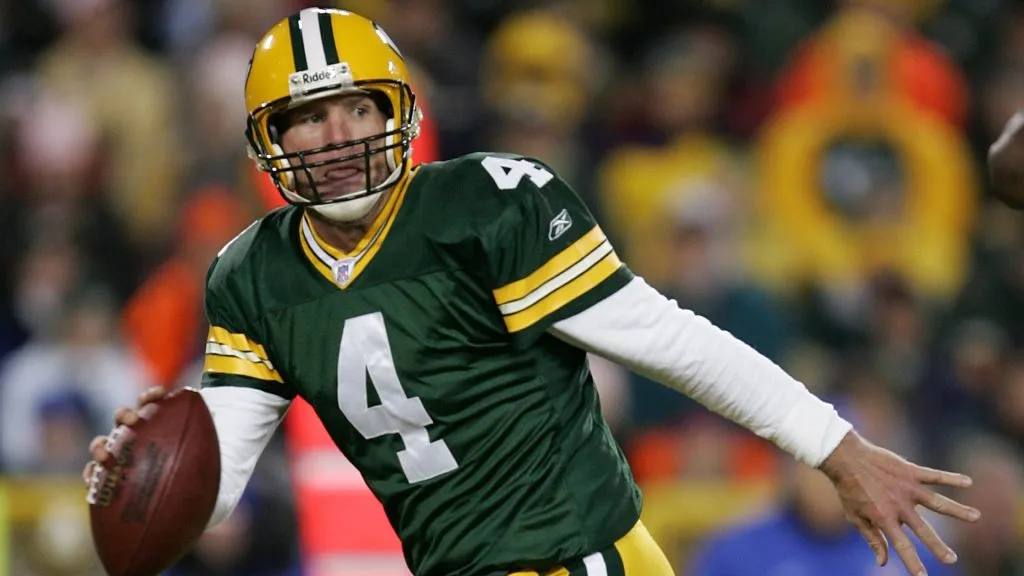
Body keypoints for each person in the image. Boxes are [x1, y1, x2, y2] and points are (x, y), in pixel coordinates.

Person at [84, 9, 980, 576]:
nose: (338, 134)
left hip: (574, 554)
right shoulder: (251, 271)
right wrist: (136, 482)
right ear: (269, 141)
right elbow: (219, 476)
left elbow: (666, 338)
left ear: (398, 112)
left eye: (358, 107)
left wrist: (831, 443)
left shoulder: (483, 205)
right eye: (308, 118)